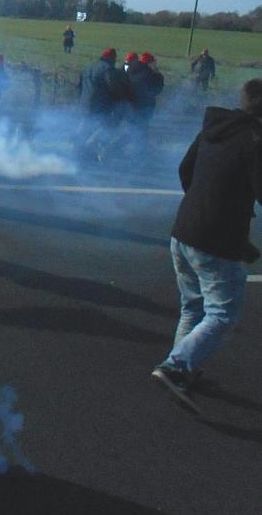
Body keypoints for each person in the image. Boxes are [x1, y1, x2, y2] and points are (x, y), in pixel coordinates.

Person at [151, 79, 262, 413]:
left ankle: (180, 370)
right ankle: (175, 367)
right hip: (213, 240)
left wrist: (204, 209)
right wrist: (219, 220)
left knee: (193, 307)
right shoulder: (255, 141)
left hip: (184, 230)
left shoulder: (216, 128)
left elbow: (186, 169)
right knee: (223, 313)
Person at [76, 47, 130, 163]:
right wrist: (119, 99)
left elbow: (79, 87)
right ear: (112, 58)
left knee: (84, 130)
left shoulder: (88, 67)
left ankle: (78, 154)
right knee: (104, 129)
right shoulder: (107, 70)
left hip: (84, 104)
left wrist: (81, 100)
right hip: (99, 106)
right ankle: (89, 151)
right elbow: (113, 87)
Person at [127, 52, 164, 132]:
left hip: (130, 104)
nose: (155, 64)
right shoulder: (150, 74)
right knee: (140, 130)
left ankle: (115, 143)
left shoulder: (131, 69)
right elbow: (157, 90)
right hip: (144, 106)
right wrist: (158, 75)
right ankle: (141, 144)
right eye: (153, 62)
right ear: (149, 63)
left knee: (133, 129)